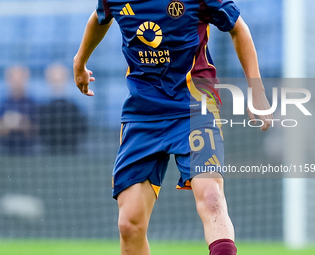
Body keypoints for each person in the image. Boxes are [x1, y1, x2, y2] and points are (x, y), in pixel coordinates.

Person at [73, 1, 273, 254]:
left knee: (211, 197)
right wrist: (79, 62)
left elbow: (238, 28)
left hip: (195, 106)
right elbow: (99, 17)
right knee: (129, 224)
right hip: (143, 113)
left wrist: (257, 90)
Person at [39, 63, 87, 153]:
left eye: (59, 80)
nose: (57, 84)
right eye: (54, 80)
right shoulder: (42, 110)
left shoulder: (74, 109)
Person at [0, 65, 38, 154]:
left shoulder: (32, 104)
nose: (16, 82)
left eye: (20, 78)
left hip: (28, 151)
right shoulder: (2, 104)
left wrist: (20, 121)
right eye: (13, 78)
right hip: (5, 150)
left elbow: (36, 130)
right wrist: (6, 123)